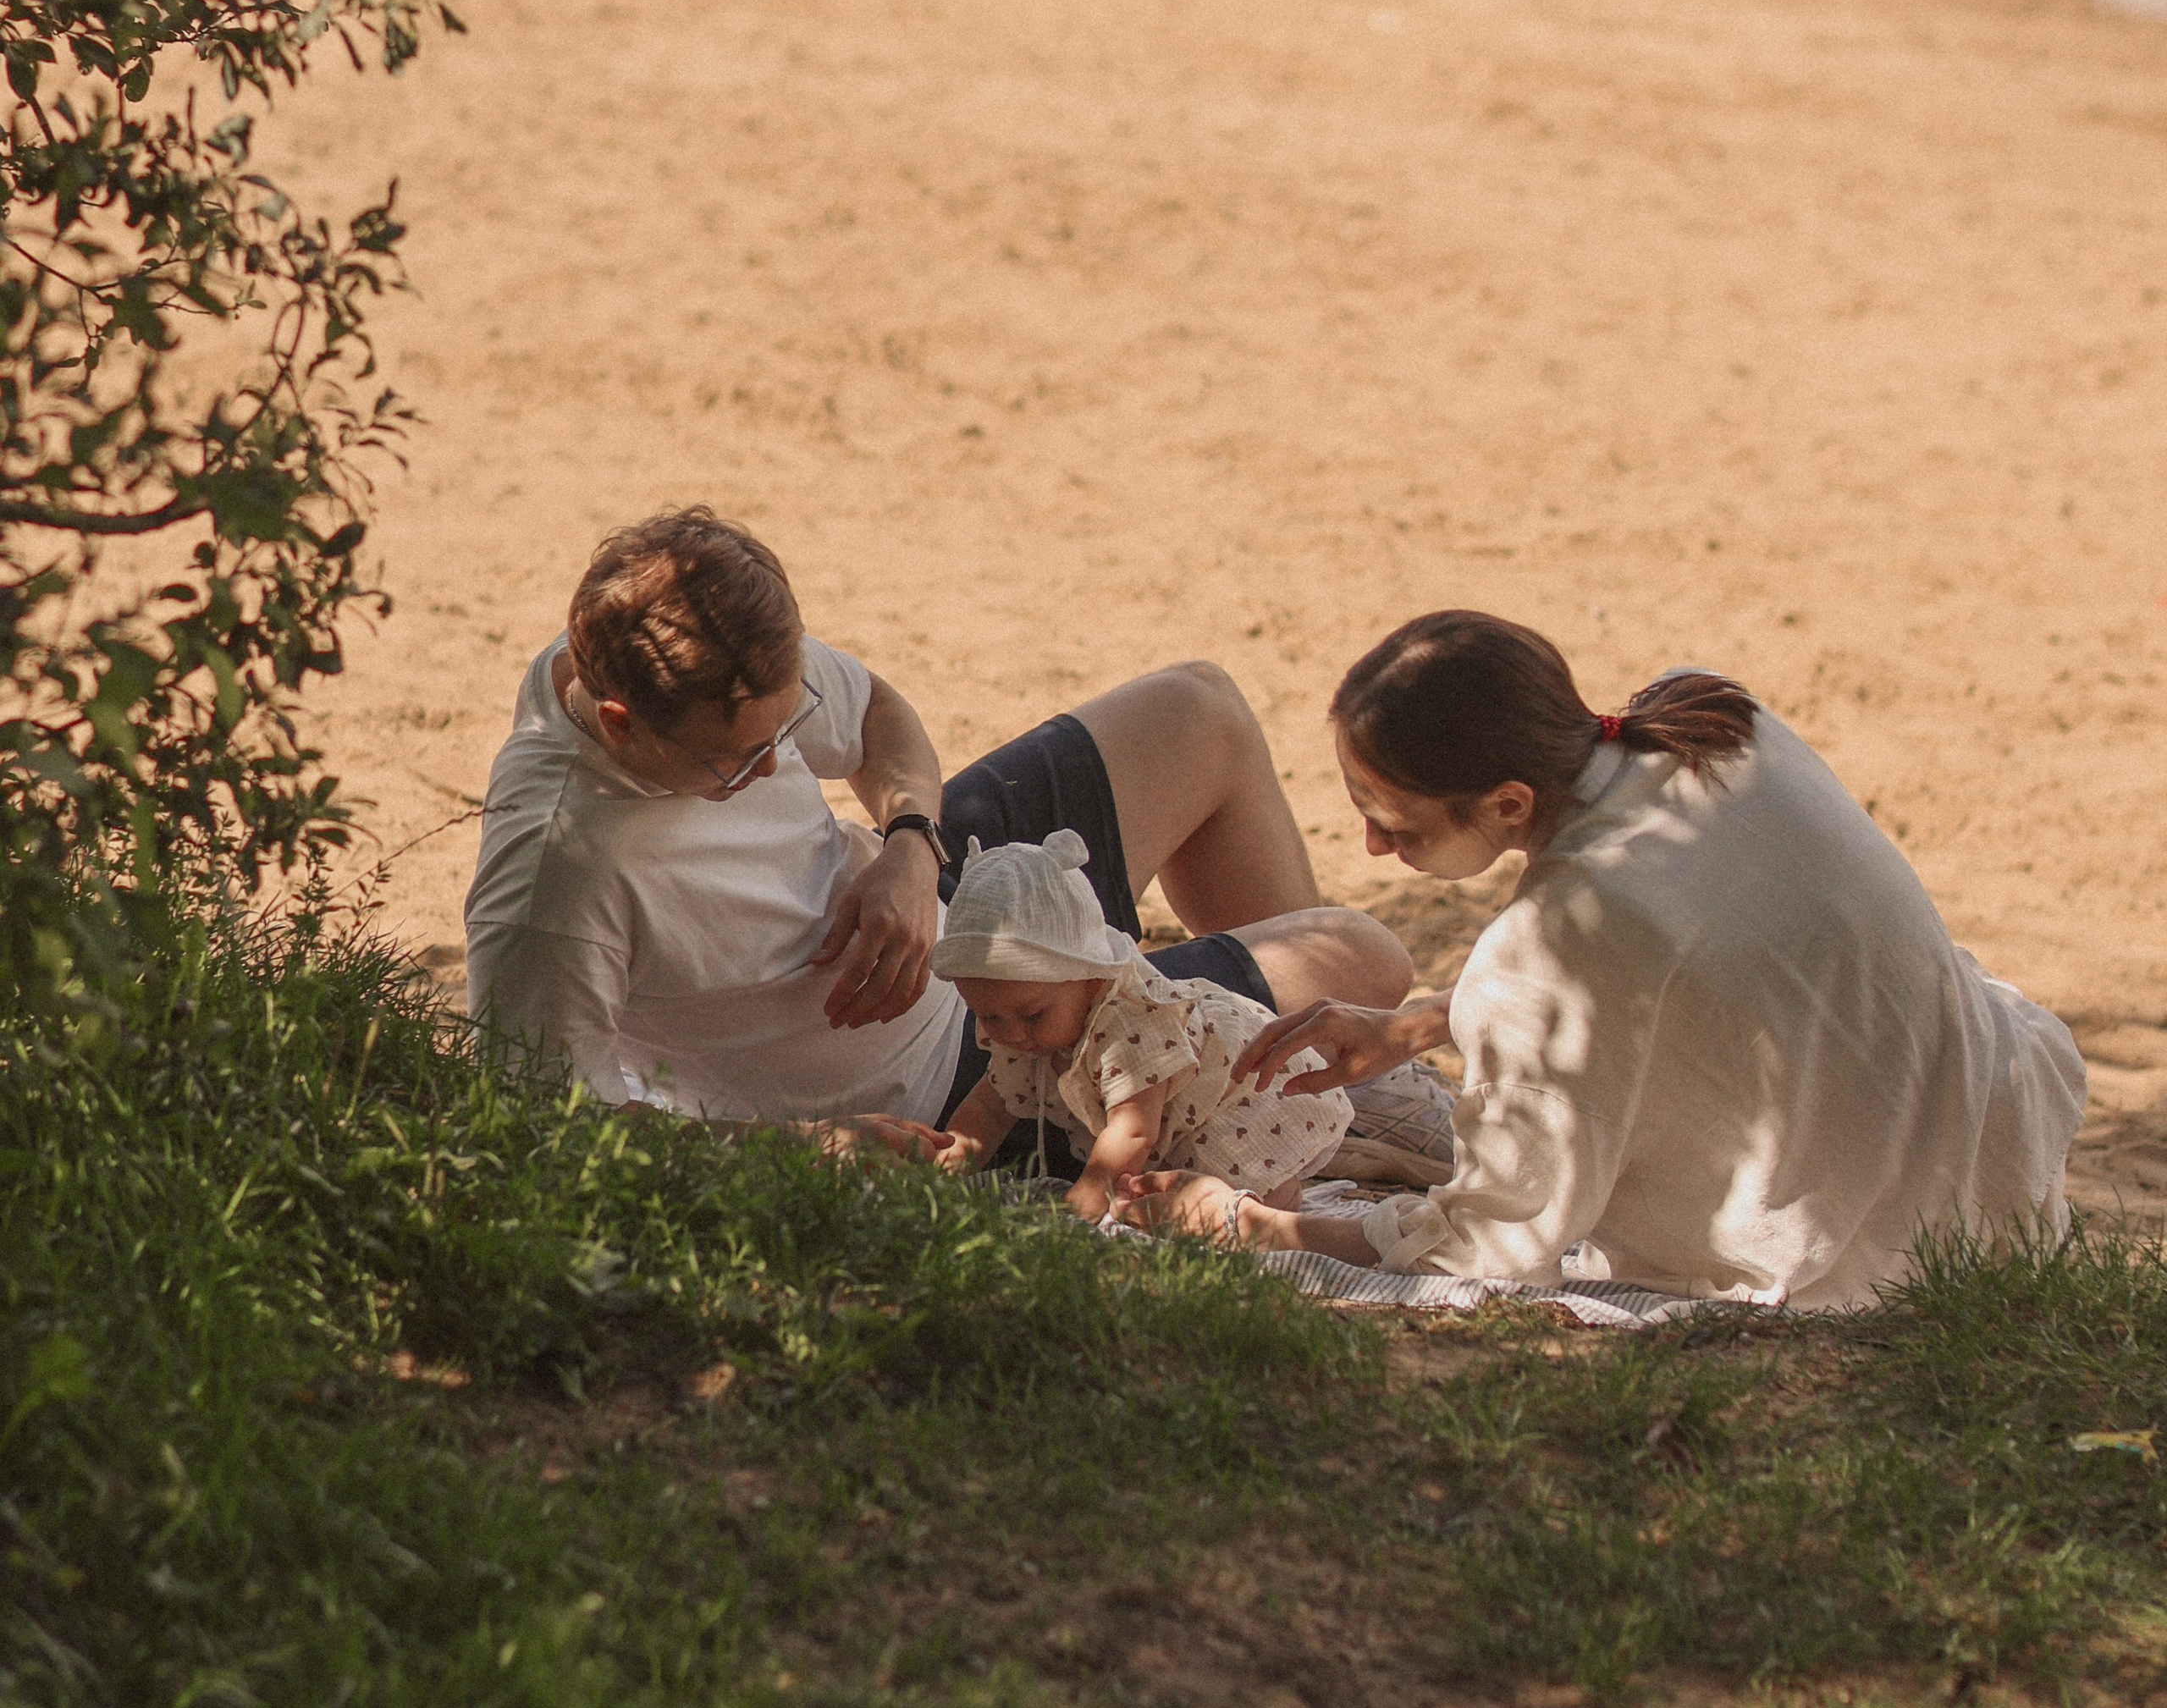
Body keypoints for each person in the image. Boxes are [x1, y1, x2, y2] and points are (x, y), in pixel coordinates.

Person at [1121, 613, 2087, 1310]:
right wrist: (1419, 1025)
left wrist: (1257, 1226)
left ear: (1506, 804)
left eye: (1397, 828)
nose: (1374, 850)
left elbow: (1487, 1247)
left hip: (1882, 1257)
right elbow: (1678, 963)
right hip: (1989, 1155)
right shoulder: (1712, 716)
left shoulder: (1551, 946)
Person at [462, 505, 1411, 1135]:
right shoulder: (558, 877)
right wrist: (809, 1146)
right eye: (739, 762)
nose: (772, 769)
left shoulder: (678, 634)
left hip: (941, 900)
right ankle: (1306, 1089)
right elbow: (543, 1121)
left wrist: (911, 845)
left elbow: (876, 713)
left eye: (783, 735)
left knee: (1199, 711)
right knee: (1363, 957)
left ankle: (1305, 1083)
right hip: (960, 1072)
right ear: (618, 723)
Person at [928, 829, 1358, 1220]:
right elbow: (990, 1107)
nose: (1011, 1035)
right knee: (1163, 1202)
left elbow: (1133, 1130)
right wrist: (945, 1166)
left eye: (1033, 1015)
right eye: (989, 1016)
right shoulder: (1023, 1028)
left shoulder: (1131, 1023)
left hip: (1235, 1098)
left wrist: (1080, 1206)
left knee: (1233, 1202)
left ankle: (1279, 1203)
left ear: (1092, 979)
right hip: (1170, 1131)